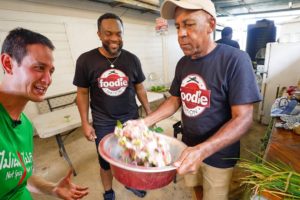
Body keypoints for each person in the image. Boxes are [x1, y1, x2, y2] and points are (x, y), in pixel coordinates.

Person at [131, 0, 261, 200]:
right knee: (196, 190)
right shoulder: (183, 63)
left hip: (219, 154)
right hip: (188, 146)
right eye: (178, 26)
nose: (181, 33)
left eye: (189, 24)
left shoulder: (235, 60)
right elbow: (175, 100)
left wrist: (203, 150)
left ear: (211, 25)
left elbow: (243, 118)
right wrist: (144, 122)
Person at [0, 28, 89, 200]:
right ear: (8, 64)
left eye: (51, 71)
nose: (48, 80)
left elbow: (18, 176)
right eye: (39, 67)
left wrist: (53, 189)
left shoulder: (25, 125)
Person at [73, 13, 151, 200]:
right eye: (108, 33)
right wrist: (85, 122)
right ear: (99, 34)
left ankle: (131, 183)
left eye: (119, 34)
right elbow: (82, 93)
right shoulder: (86, 60)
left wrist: (149, 113)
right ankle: (108, 190)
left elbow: (139, 87)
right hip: (103, 122)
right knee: (106, 161)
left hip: (131, 119)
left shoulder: (132, 59)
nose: (115, 39)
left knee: (131, 156)